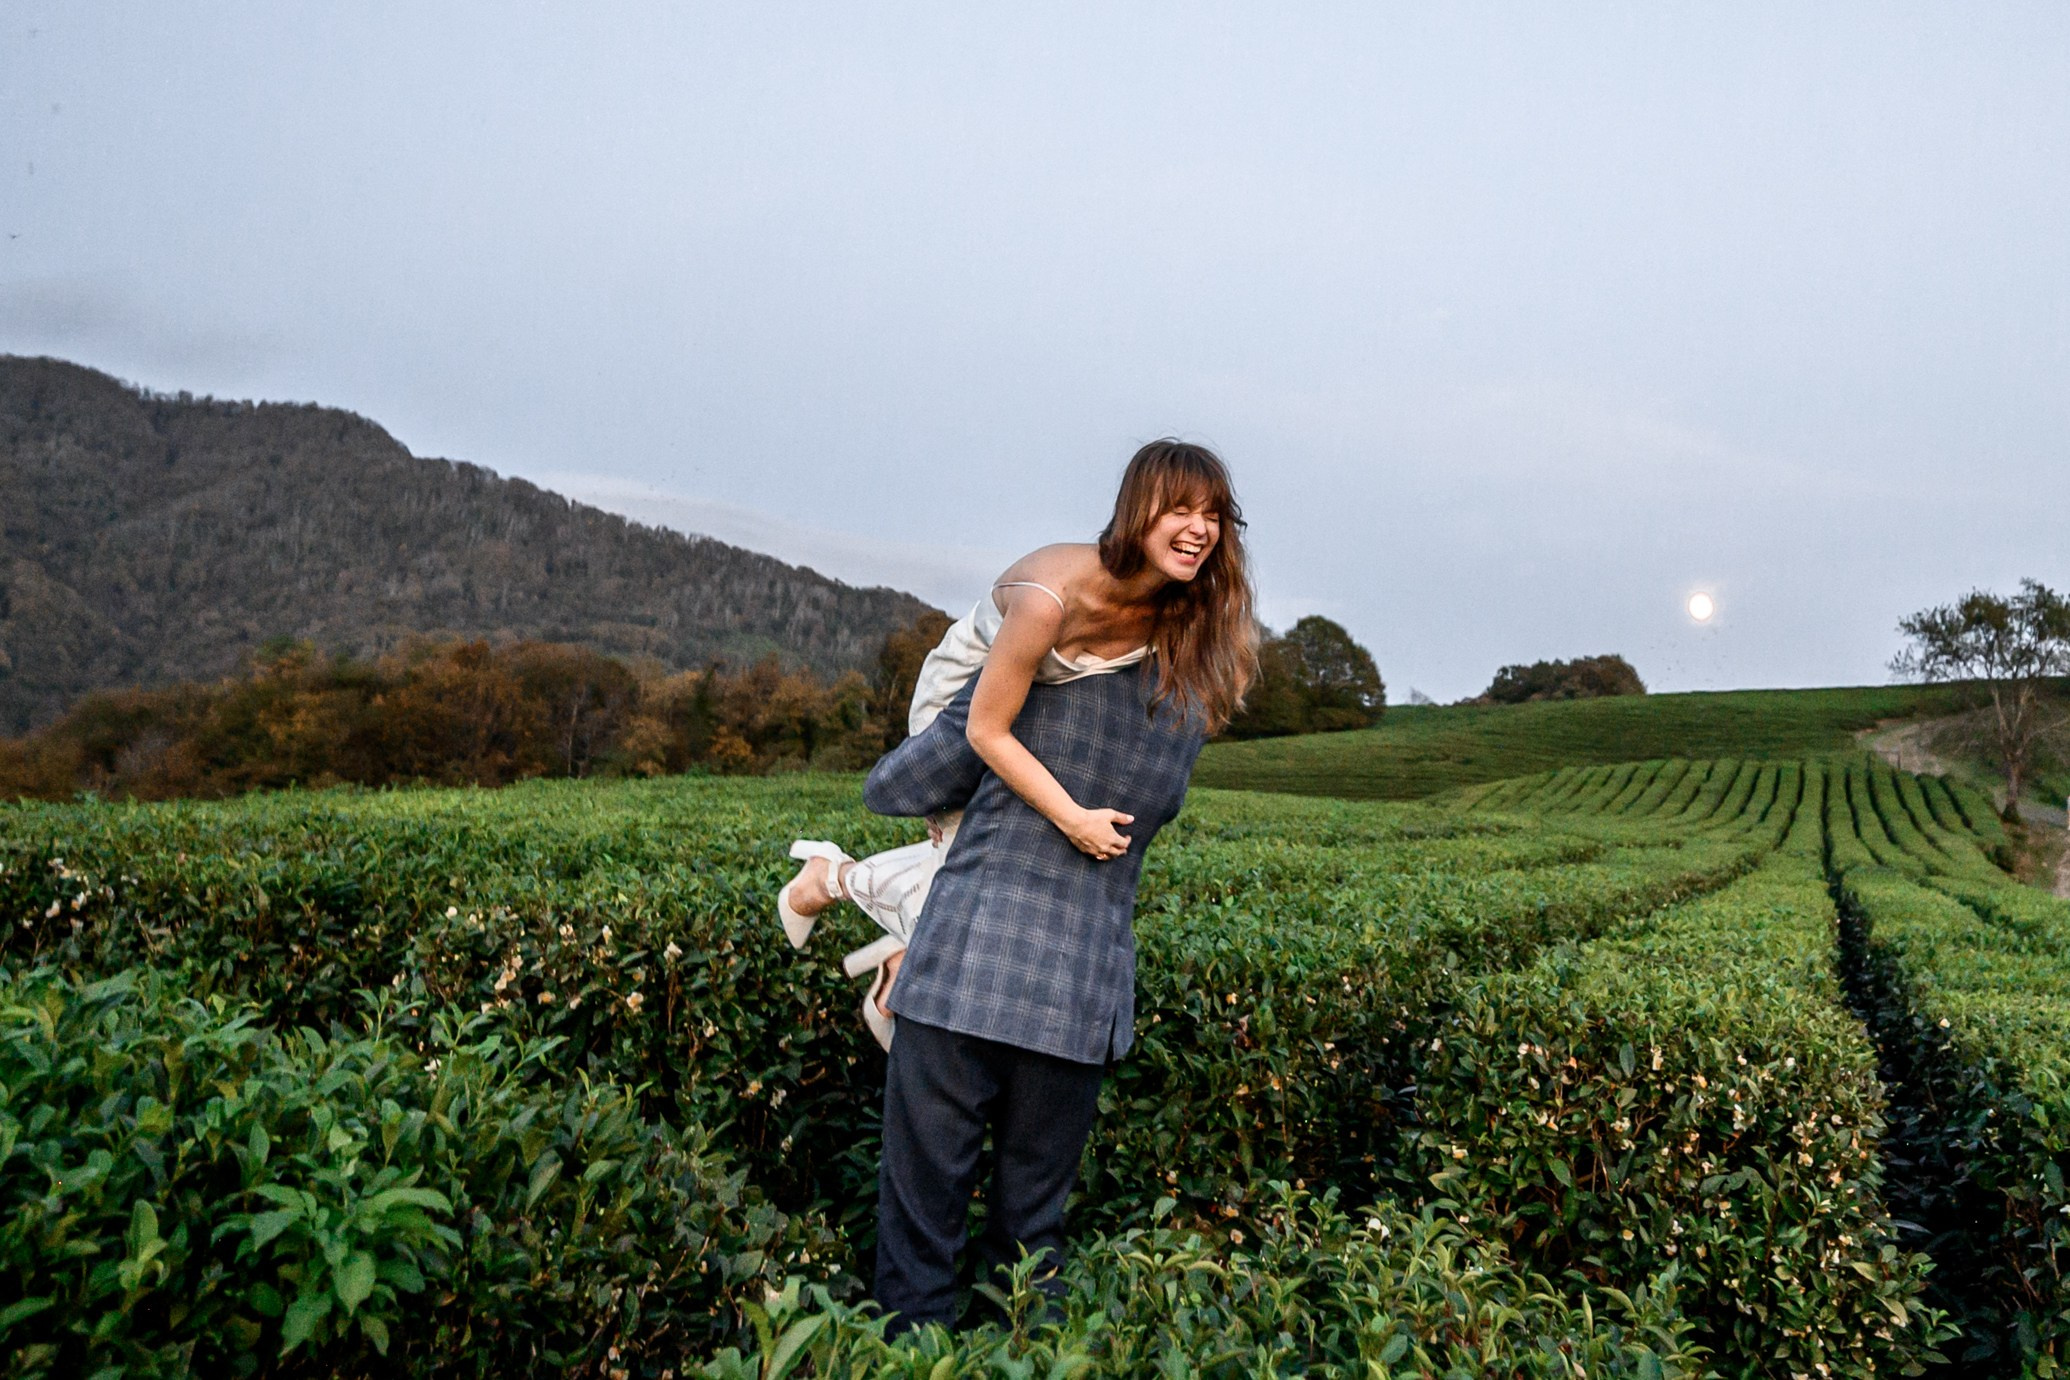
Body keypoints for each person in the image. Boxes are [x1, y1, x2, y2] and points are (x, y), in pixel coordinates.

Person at [779, 439, 1258, 1334]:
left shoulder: (1045, 665)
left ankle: (870, 920)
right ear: (1139, 512)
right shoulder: (1177, 693)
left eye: (1212, 515)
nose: (1199, 528)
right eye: (1181, 508)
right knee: (1031, 1243)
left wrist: (1039, 804)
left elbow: (910, 781)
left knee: (919, 1230)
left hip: (965, 977)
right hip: (1079, 998)